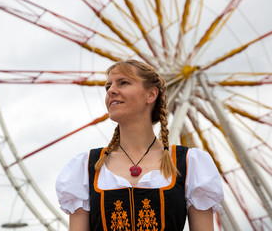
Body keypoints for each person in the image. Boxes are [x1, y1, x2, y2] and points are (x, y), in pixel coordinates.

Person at [56, 59, 224, 231]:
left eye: (123, 83)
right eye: (108, 87)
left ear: (151, 94)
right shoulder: (86, 167)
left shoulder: (189, 163)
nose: (111, 91)